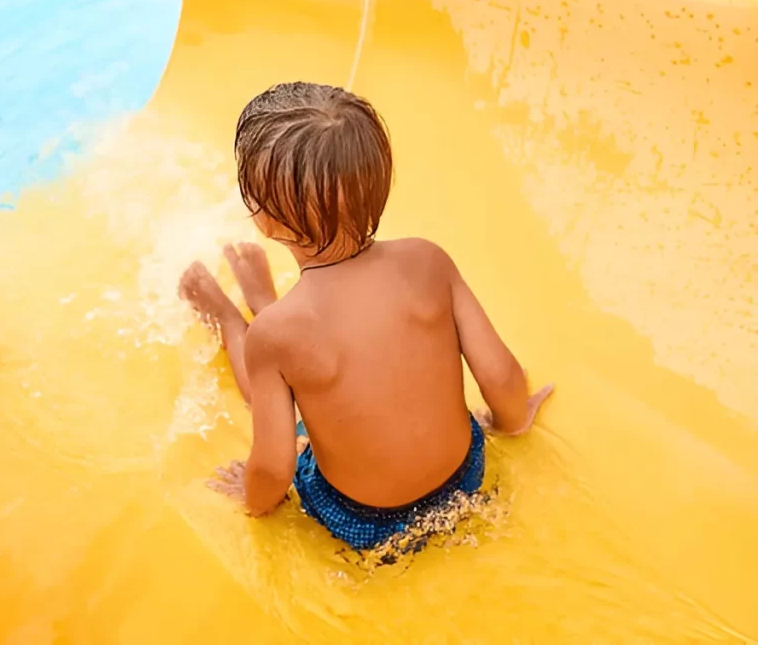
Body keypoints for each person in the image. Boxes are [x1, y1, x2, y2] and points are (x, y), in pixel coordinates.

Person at [178, 82, 554, 552]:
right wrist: (513, 423)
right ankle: (262, 299)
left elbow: (275, 467)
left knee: (273, 383)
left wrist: (253, 500)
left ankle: (233, 319)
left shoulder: (275, 336)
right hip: (465, 479)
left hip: (362, 522)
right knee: (293, 349)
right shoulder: (427, 262)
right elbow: (499, 373)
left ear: (265, 219)